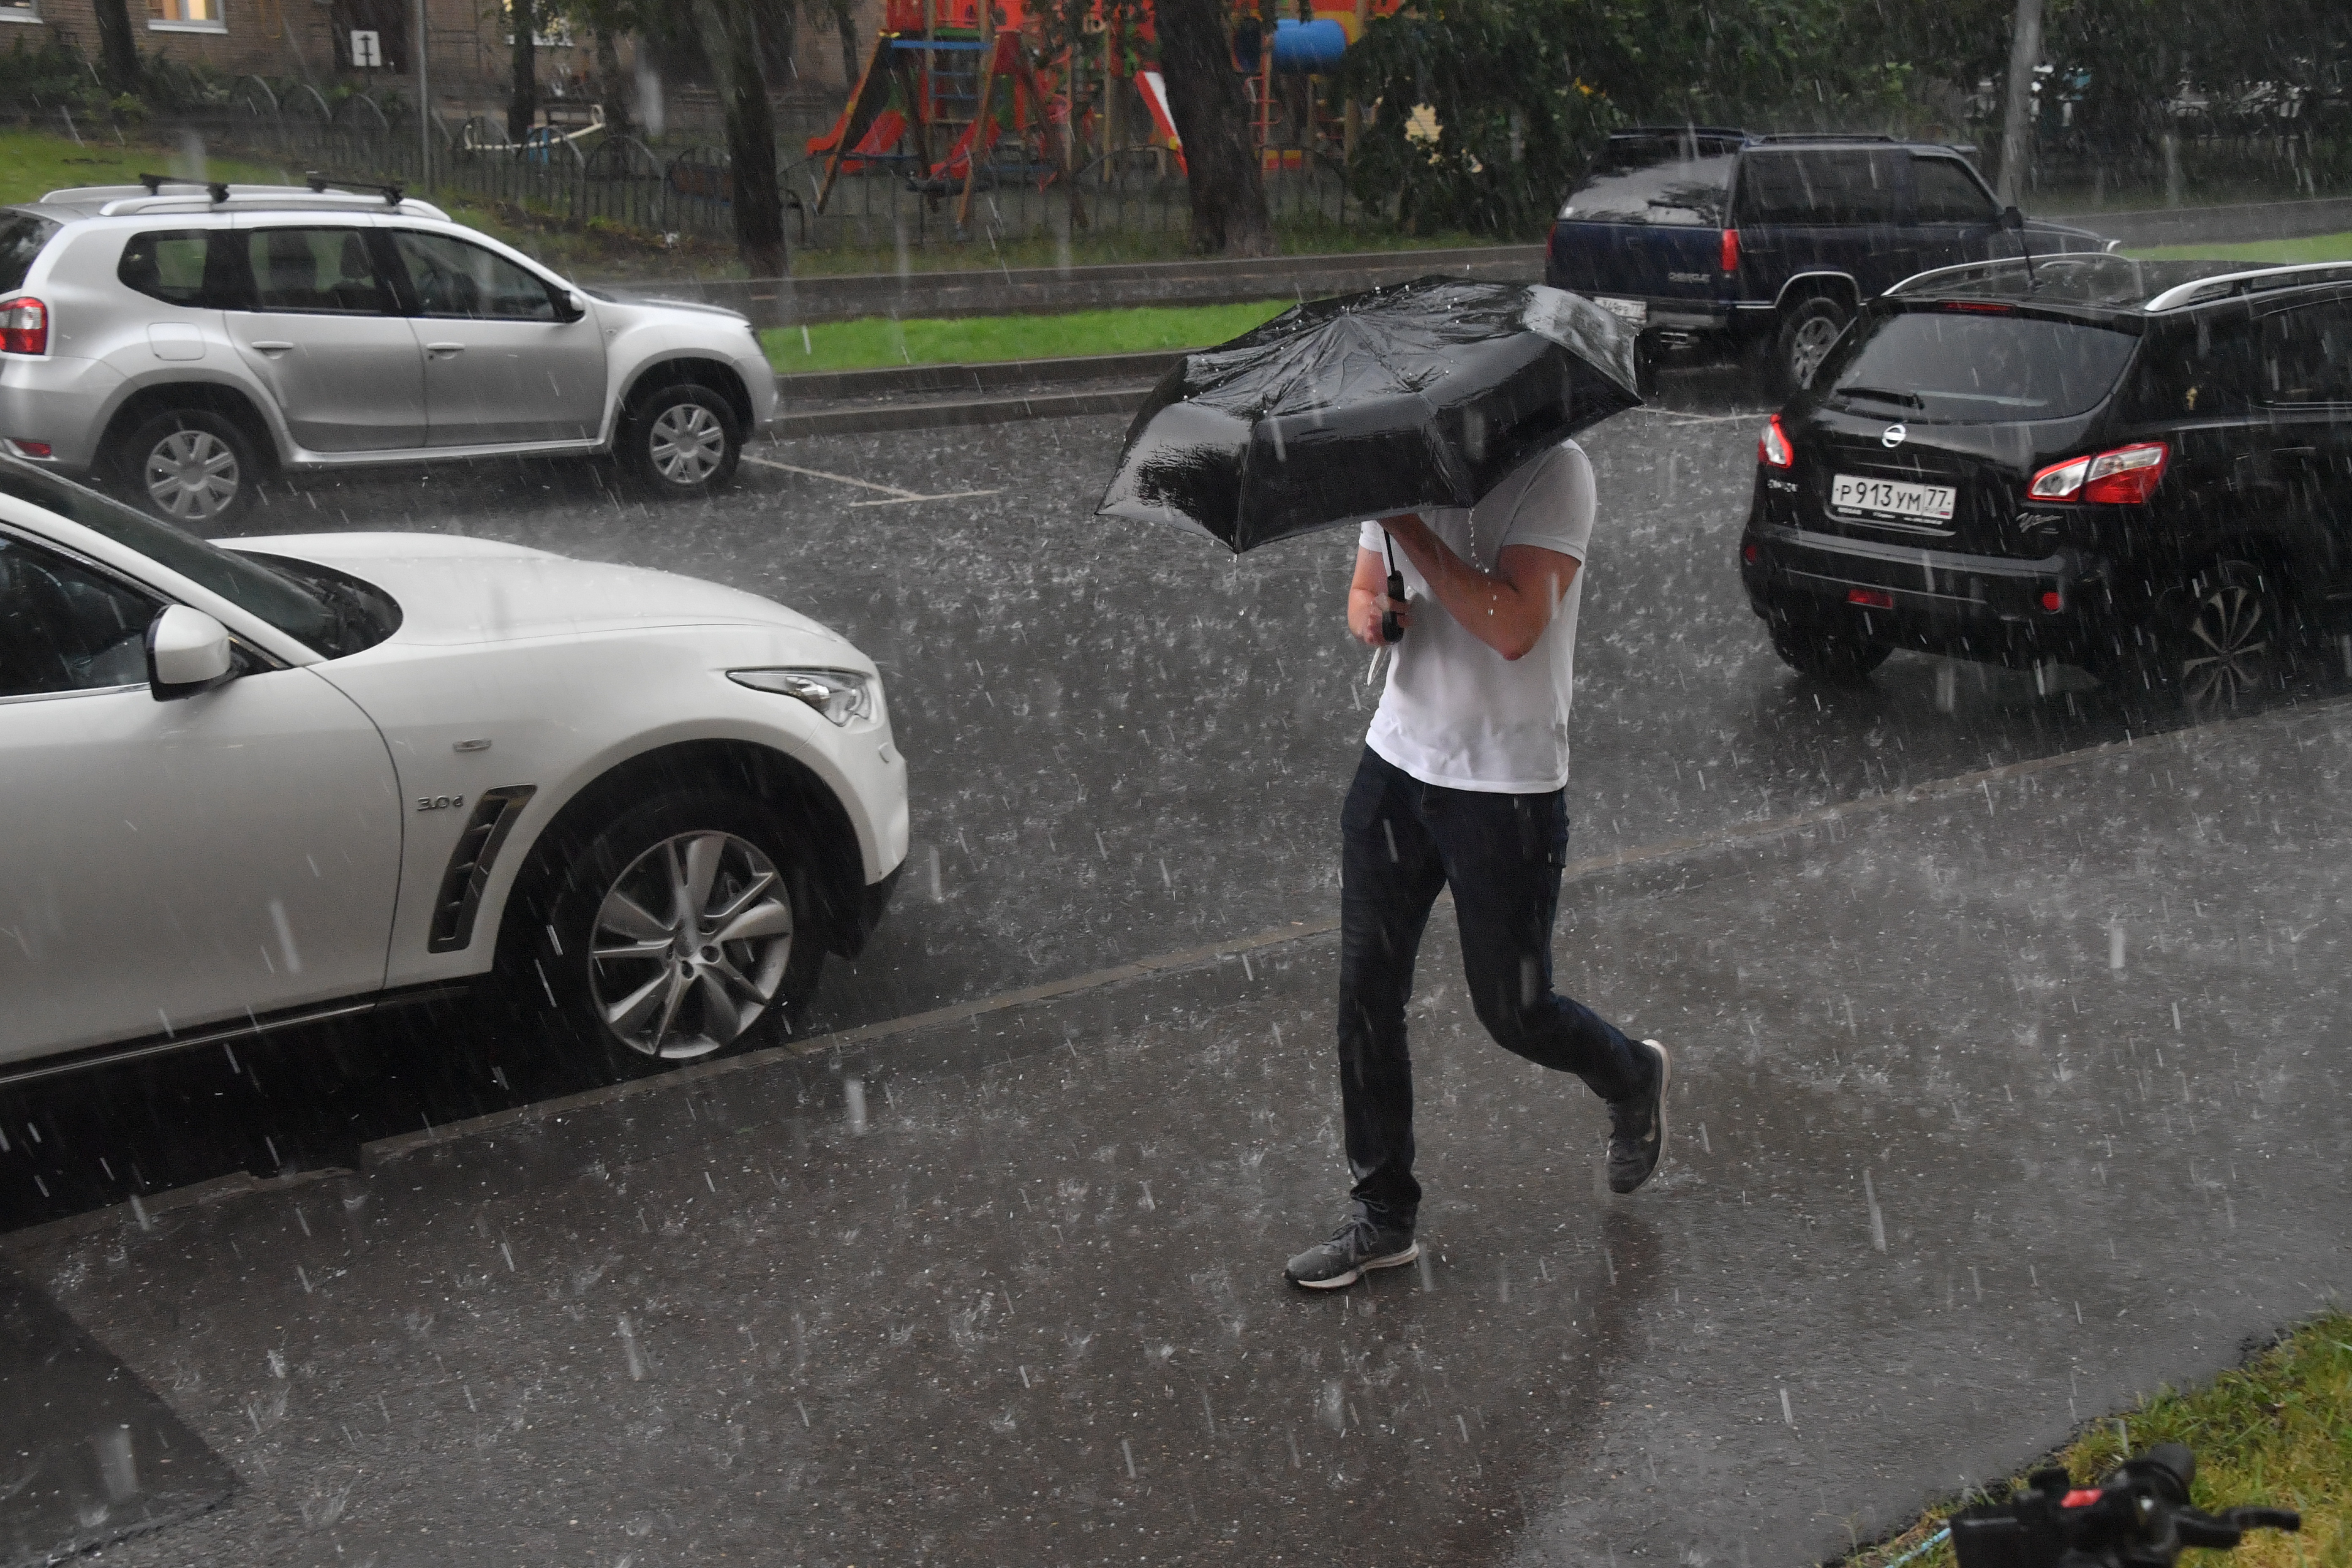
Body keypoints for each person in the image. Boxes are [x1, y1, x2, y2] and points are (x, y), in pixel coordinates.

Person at [1284, 437, 1672, 1290]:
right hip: (1394, 767)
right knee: (1365, 994)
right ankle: (1383, 1215)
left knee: (1515, 1010)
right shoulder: (1402, 458)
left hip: (1507, 790)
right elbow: (1361, 594)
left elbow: (1513, 626)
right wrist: (1374, 615)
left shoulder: (1556, 472)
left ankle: (1631, 1072)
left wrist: (1410, 528)